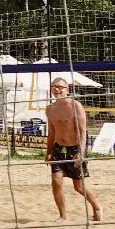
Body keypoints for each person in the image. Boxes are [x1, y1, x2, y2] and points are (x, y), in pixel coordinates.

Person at [46, 78, 101, 221]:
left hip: (75, 148)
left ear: (68, 89)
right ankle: (63, 215)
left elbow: (83, 132)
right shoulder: (50, 109)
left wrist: (81, 152)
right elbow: (51, 132)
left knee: (79, 187)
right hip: (59, 149)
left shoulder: (76, 106)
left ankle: (96, 207)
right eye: (54, 87)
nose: (57, 89)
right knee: (56, 182)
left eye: (60, 87)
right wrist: (49, 152)